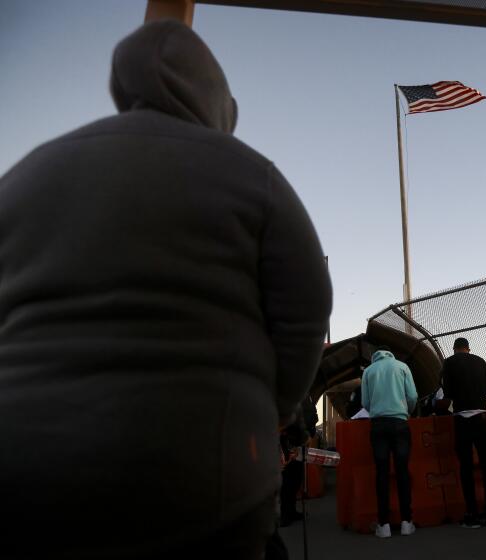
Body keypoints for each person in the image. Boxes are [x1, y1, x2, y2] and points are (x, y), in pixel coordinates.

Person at [0, 20, 332, 558]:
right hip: (208, 476)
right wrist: (274, 405)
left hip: (23, 469)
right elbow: (306, 309)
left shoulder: (26, 172)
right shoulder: (251, 174)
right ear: (217, 99)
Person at [440, 337, 486, 528]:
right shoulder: (480, 361)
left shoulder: (448, 363)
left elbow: (447, 392)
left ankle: (471, 513)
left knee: (466, 466)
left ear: (455, 349)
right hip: (481, 416)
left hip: (462, 417)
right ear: (468, 348)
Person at [361, 346, 418, 538]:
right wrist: (406, 411)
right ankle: (406, 522)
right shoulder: (402, 366)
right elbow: (412, 396)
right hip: (400, 423)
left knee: (382, 473)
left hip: (378, 425)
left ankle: (384, 525)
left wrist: (377, 410)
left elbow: (365, 402)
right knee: (402, 471)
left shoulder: (368, 371)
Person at [278, 396, 319, 527]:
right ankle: (285, 513)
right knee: (287, 478)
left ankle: (291, 510)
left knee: (296, 477)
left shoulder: (305, 395)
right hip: (287, 439)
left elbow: (311, 414)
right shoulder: (289, 392)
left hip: (299, 439)